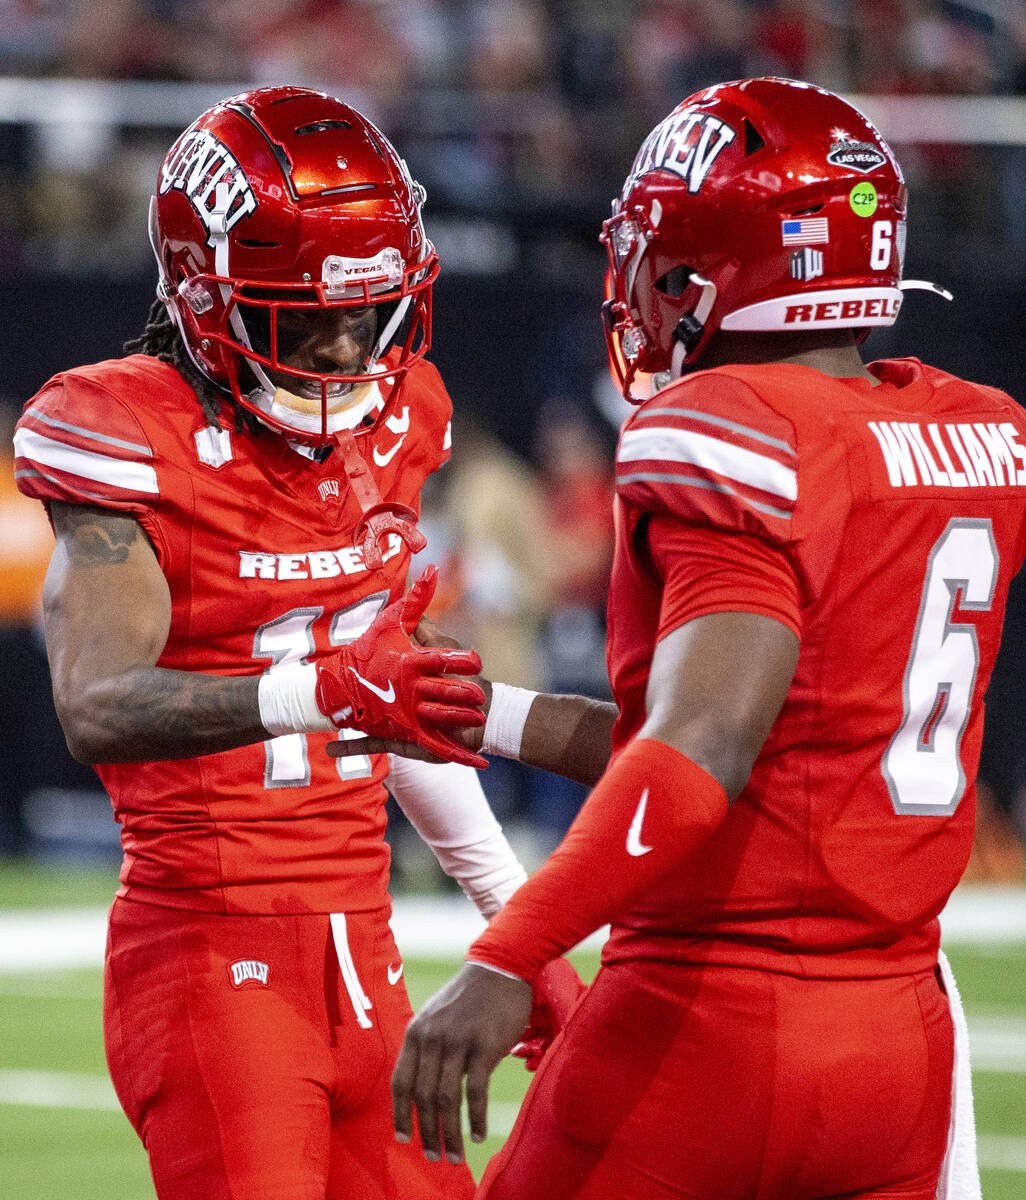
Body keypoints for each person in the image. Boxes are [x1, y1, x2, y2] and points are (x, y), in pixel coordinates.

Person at [378, 77, 1025, 1199]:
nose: (647, 287)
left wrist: (508, 955)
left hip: (709, 1021)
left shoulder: (731, 426)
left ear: (729, 270)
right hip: (897, 1043)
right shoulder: (977, 430)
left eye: (665, 262)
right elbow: (770, 744)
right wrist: (489, 715)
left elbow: (701, 753)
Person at [12, 86, 558, 1200]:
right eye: (299, 315)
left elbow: (397, 705)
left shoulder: (397, 421)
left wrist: (517, 927)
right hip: (211, 954)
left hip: (367, 953)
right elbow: (97, 703)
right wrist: (323, 691)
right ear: (203, 295)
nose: (345, 345)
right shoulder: (124, 427)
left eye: (365, 313)